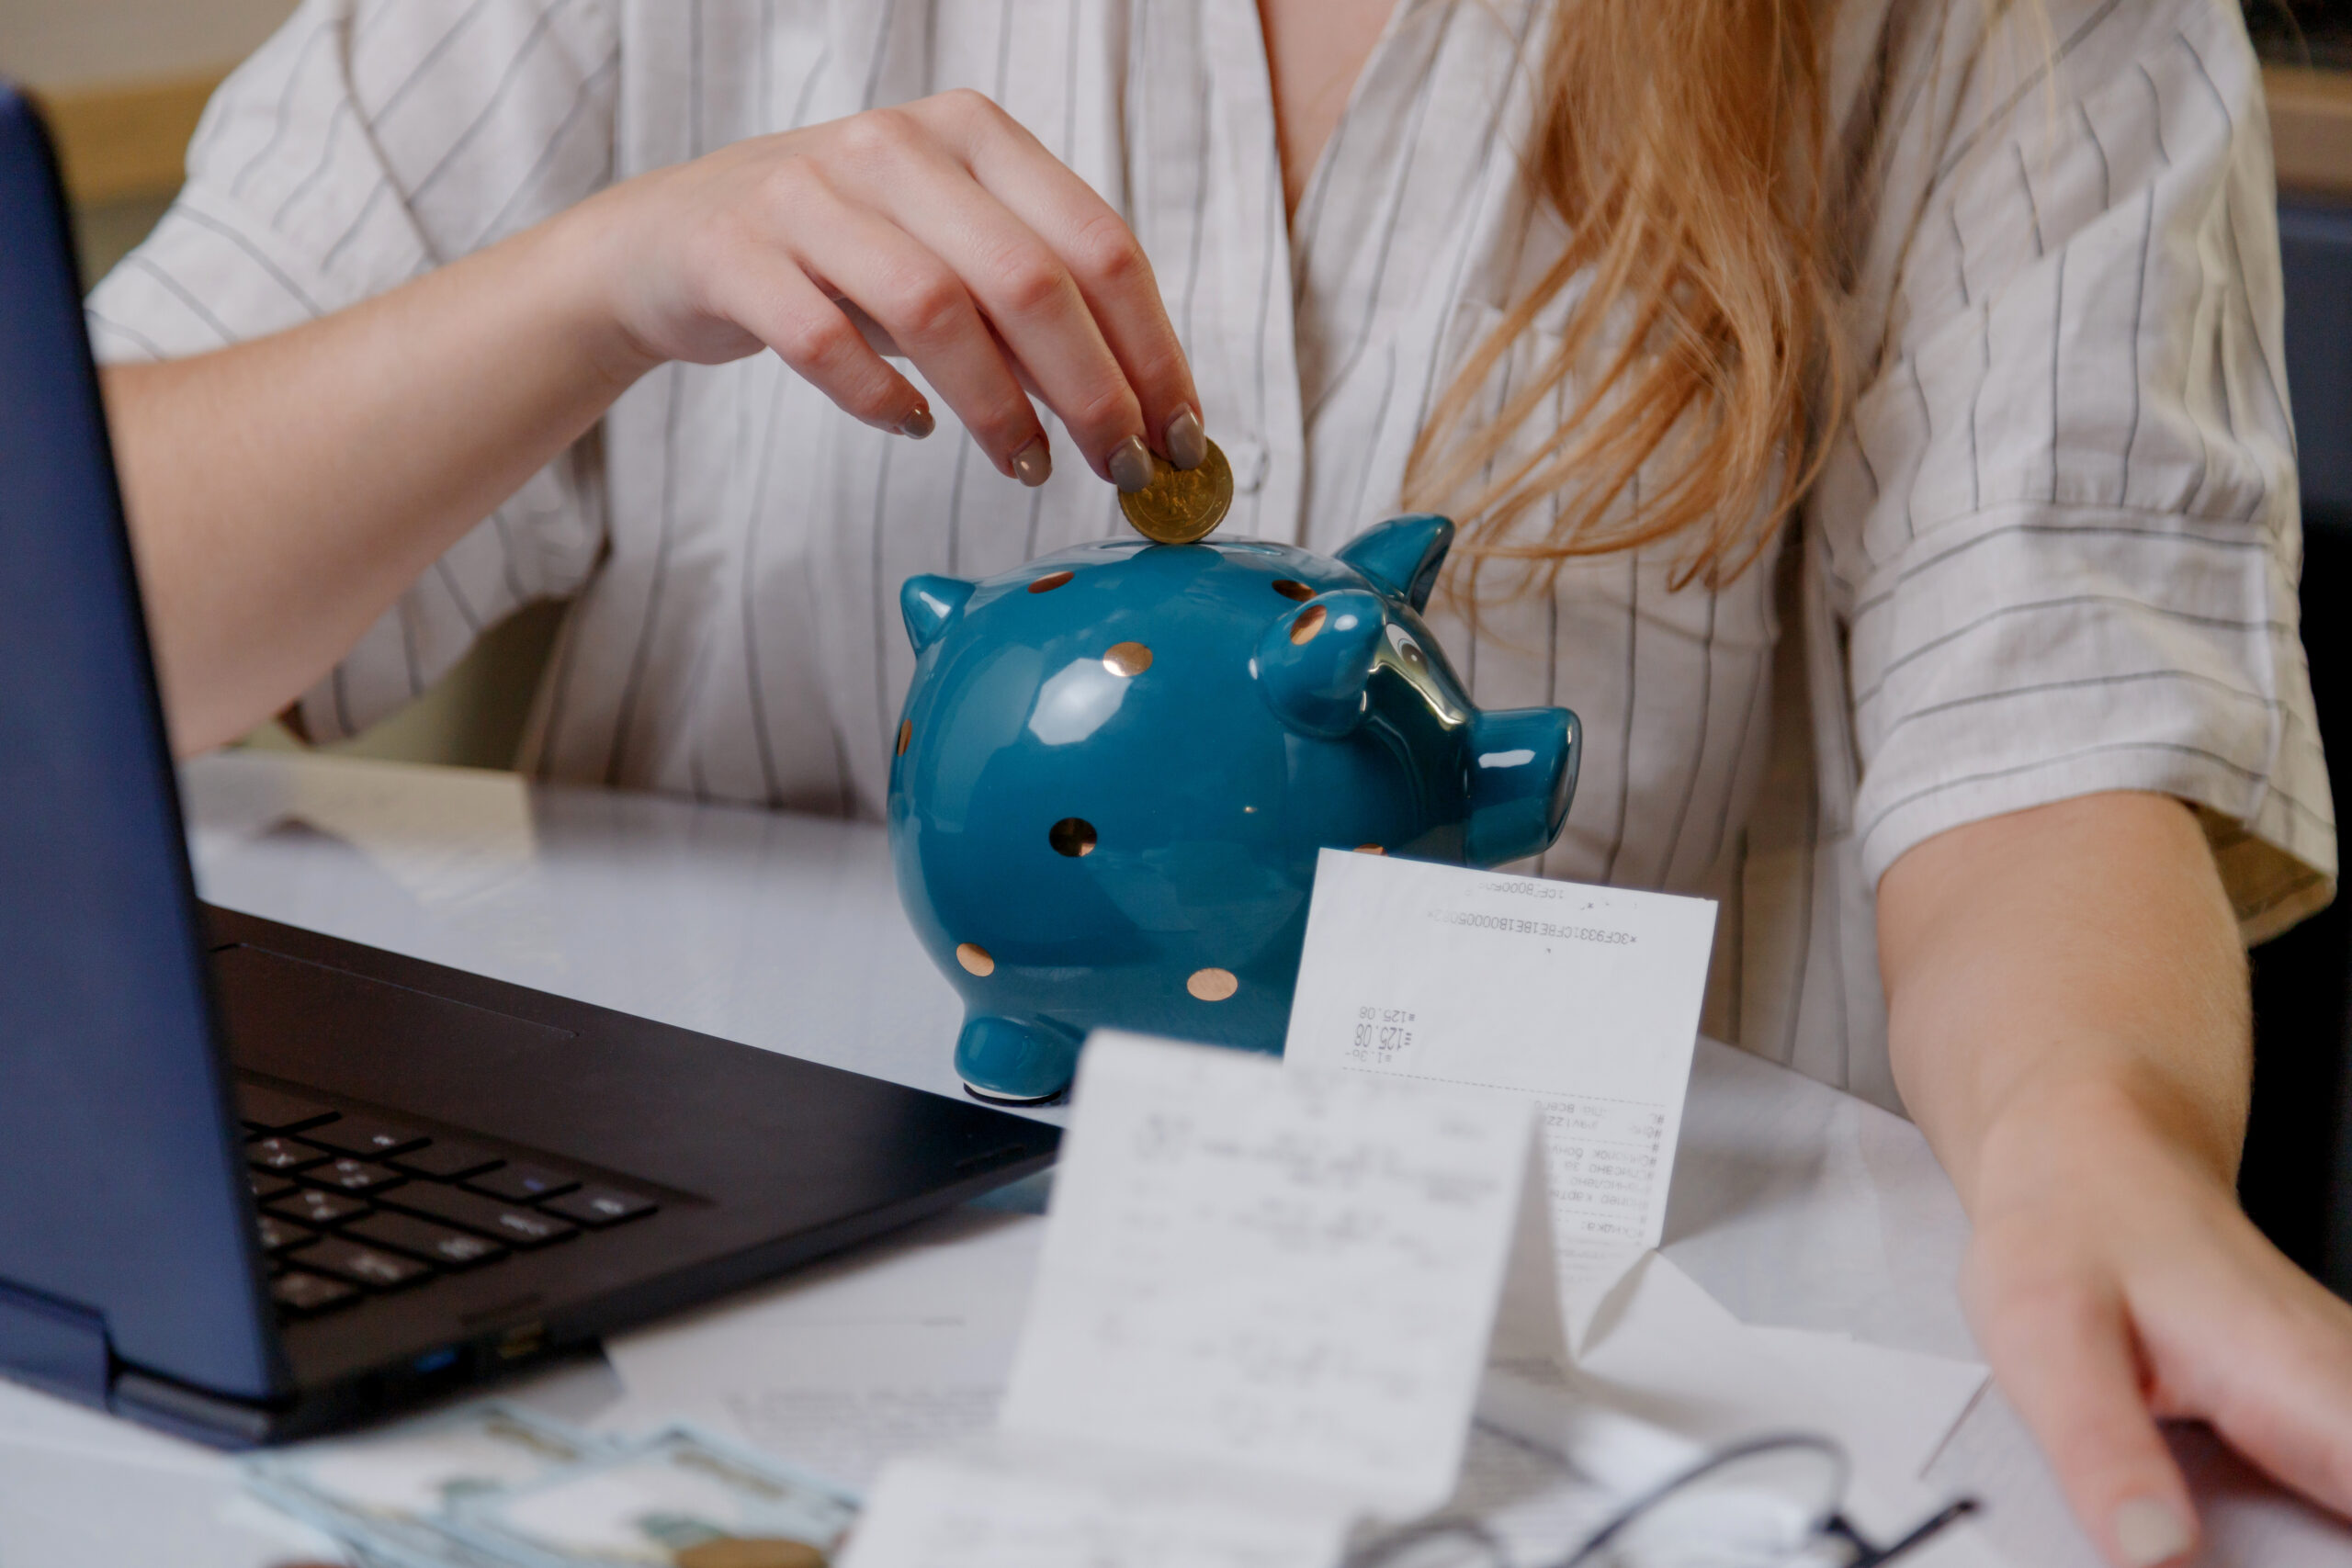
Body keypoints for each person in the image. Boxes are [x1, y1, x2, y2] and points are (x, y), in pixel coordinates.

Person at [83, 0, 2352, 1562]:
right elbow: (90, 620)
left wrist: (2096, 1152)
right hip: (709, 1332)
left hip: (1544, 1407)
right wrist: (594, 278)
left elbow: (2039, 748)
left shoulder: (1993, 32)